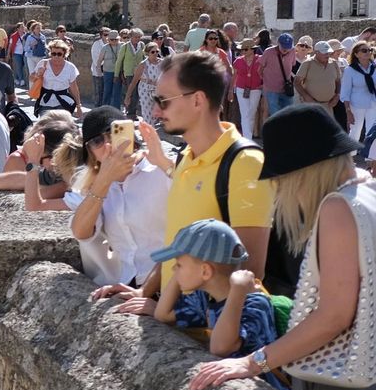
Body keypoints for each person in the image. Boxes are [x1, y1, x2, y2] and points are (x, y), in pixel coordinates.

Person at [190, 105, 374, 390]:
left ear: (300, 173)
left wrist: (253, 362)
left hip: (343, 380)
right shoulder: (367, 191)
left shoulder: (337, 208)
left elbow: (335, 315)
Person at [106, 51, 273, 311]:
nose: (157, 110)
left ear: (197, 100)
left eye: (163, 101)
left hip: (205, 335)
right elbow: (178, 243)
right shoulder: (186, 157)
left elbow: (248, 272)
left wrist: (172, 313)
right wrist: (145, 291)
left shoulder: (245, 163)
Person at [151, 219, 287, 390]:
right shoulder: (206, 297)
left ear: (206, 272)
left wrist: (237, 291)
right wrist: (183, 273)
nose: (173, 271)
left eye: (178, 265)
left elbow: (220, 347)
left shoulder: (255, 304)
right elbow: (163, 315)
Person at [58, 107, 170, 289]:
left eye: (113, 133)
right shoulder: (94, 186)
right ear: (90, 151)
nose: (107, 143)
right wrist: (104, 180)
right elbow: (81, 232)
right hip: (128, 283)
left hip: (169, 283)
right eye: (97, 141)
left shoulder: (158, 171)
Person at [343, 40, 376, 162]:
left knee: (372, 131)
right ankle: (349, 158)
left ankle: (371, 159)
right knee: (355, 131)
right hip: (356, 104)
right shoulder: (350, 70)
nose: (368, 52)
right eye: (364, 50)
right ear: (356, 54)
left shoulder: (374, 68)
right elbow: (345, 92)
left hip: (373, 103)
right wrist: (348, 111)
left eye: (369, 50)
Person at [31, 39, 81, 114]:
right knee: (46, 124)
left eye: (59, 54)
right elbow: (31, 78)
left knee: (61, 124)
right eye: (53, 54)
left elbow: (74, 88)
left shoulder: (70, 67)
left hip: (63, 102)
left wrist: (78, 106)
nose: (56, 56)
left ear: (64, 54)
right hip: (46, 101)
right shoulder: (43, 63)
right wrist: (38, 74)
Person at [295, 41, 340, 114]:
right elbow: (297, 82)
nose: (327, 55)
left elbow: (338, 81)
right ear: (316, 52)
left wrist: (337, 95)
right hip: (311, 106)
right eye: (324, 53)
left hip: (328, 106)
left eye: (328, 52)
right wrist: (306, 96)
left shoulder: (334, 63)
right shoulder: (307, 63)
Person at [232, 39, 264, 140]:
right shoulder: (238, 61)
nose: (243, 52)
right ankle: (247, 139)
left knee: (252, 112)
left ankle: (247, 137)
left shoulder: (261, 60)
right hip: (241, 89)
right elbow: (234, 76)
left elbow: (266, 73)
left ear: (252, 49)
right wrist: (230, 90)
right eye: (242, 50)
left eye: (245, 49)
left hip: (256, 89)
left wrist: (264, 84)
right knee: (245, 113)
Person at [260, 32, 296, 116]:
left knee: (289, 114)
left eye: (288, 47)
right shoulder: (268, 52)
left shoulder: (292, 51)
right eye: (283, 46)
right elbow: (260, 69)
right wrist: (265, 82)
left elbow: (292, 65)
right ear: (278, 43)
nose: (286, 49)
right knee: (275, 115)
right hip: (271, 89)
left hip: (286, 88)